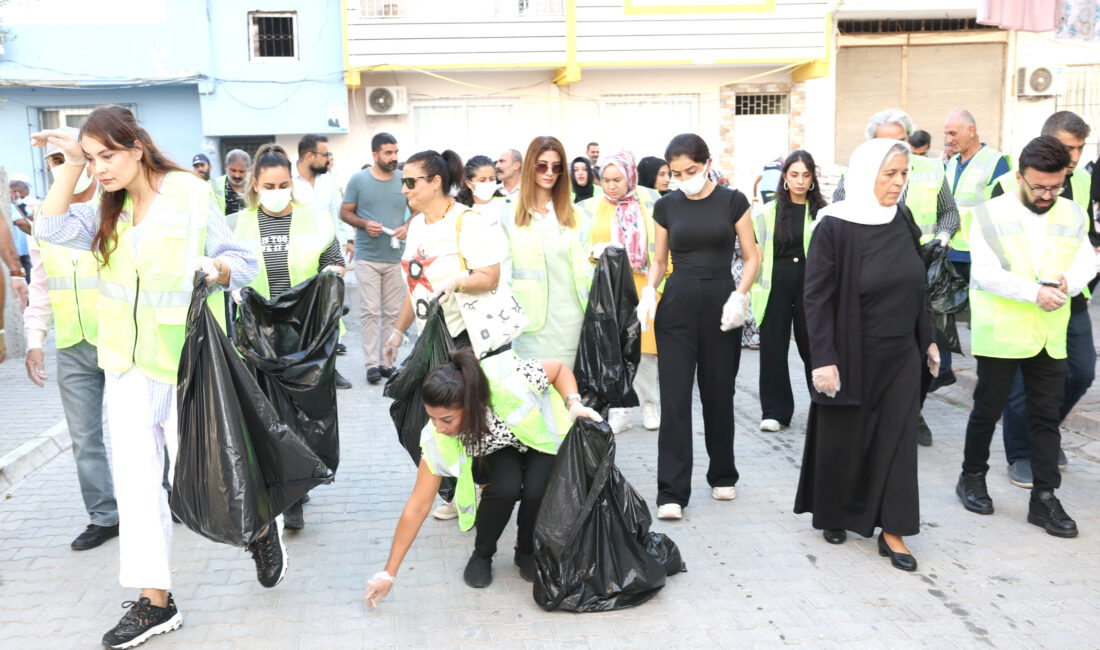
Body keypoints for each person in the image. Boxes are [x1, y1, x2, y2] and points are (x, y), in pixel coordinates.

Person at [32, 105, 260, 649]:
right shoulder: (104, 209)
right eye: (93, 158)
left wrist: (218, 269)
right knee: (137, 492)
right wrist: (69, 164)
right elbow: (49, 228)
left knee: (207, 476)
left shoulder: (189, 190)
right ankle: (156, 603)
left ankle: (261, 529)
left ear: (137, 147)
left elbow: (241, 260)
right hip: (126, 367)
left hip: (185, 365)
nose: (101, 168)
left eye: (107, 155)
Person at [794, 138, 937, 571]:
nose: (898, 183)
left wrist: (927, 337)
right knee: (844, 437)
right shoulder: (834, 226)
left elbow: (917, 285)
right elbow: (816, 297)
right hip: (851, 351)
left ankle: (892, 530)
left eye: (903, 174)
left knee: (897, 441)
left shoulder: (903, 218)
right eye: (889, 174)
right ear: (865, 173)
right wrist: (823, 359)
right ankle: (834, 512)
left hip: (900, 354)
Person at [363, 347, 602, 603]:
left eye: (446, 419)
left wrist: (574, 404)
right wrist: (388, 574)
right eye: (432, 418)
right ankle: (482, 554)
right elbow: (417, 506)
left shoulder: (512, 378)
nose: (439, 428)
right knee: (505, 488)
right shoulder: (437, 436)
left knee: (537, 489)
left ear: (471, 405)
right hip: (497, 446)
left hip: (540, 436)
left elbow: (559, 368)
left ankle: (526, 551)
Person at [956, 135, 1096, 539]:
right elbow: (983, 271)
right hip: (1002, 331)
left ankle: (1045, 498)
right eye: (1038, 187)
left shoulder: (1072, 212)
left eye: (1055, 186)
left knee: (1045, 417)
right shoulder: (987, 213)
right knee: (988, 409)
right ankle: (972, 477)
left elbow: (1087, 258)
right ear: (1019, 176)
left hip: (1049, 334)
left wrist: (1072, 282)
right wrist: (1034, 292)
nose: (1047, 194)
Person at [382, 149, 510, 521]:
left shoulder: (467, 221)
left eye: (411, 181)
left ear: (435, 181)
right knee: (434, 420)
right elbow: (415, 284)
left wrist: (456, 282)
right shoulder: (419, 224)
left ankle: (480, 492)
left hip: (466, 340)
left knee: (468, 420)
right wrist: (397, 331)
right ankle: (459, 487)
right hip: (431, 340)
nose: (404, 189)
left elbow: (490, 275)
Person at [637, 133, 760, 521]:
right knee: (674, 398)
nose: (683, 178)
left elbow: (753, 255)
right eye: (675, 173)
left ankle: (722, 472)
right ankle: (671, 491)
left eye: (690, 170)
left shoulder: (733, 200)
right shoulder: (666, 205)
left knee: (718, 393)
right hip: (677, 303)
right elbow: (658, 260)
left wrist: (741, 295)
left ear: (707, 164)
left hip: (723, 302)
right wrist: (648, 291)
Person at [229, 144, 346, 531]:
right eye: (268, 185)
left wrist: (332, 277)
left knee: (303, 414)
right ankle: (290, 492)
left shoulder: (314, 219)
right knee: (272, 415)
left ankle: (299, 479)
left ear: (291, 183)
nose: (276, 191)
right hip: (260, 334)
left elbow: (334, 260)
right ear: (254, 185)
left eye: (282, 184)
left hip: (305, 333)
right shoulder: (237, 225)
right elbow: (225, 266)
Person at [834, 108, 961, 446]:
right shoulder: (855, 172)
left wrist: (944, 237)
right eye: (883, 142)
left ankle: (913, 410)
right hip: (873, 274)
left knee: (923, 345)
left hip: (921, 272)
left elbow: (949, 211)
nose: (893, 149)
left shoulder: (931, 169)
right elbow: (839, 213)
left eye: (900, 141)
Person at [990, 111, 1099, 488]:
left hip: (1070, 295)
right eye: (1070, 147)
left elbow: (1082, 235)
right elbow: (996, 247)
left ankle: (1044, 430)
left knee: (1082, 370)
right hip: (1022, 298)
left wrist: (1079, 275)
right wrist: (1029, 289)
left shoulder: (1081, 179)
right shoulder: (1006, 184)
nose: (1076, 156)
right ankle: (1021, 452)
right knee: (1024, 380)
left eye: (1081, 148)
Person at [24, 127, 118, 551]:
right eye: (55, 163)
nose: (63, 170)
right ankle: (104, 516)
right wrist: (34, 341)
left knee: (144, 425)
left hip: (119, 337)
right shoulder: (44, 222)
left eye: (69, 160)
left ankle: (167, 497)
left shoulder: (113, 211)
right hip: (73, 345)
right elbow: (40, 287)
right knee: (84, 437)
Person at [579, 150, 669, 433]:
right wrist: (594, 253)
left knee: (645, 350)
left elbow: (666, 245)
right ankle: (620, 410)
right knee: (613, 350)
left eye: (617, 179)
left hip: (645, 283)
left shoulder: (652, 201)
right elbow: (580, 247)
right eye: (605, 180)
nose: (611, 185)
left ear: (631, 176)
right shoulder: (590, 207)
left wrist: (659, 286)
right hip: (609, 287)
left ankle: (649, 405)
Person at [936, 109, 1011, 391]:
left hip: (978, 252)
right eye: (946, 133)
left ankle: (989, 376)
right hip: (948, 248)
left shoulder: (995, 162)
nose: (948, 138)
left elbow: (1003, 208)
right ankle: (942, 369)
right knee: (939, 311)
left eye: (953, 133)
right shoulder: (950, 163)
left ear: (971, 131)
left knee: (982, 317)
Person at [752, 150, 826, 433]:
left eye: (806, 175)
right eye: (794, 175)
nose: (800, 181)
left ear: (812, 179)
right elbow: (755, 253)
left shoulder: (822, 212)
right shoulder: (767, 212)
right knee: (773, 349)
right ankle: (775, 411)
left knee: (815, 348)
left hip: (811, 289)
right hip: (775, 288)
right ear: (784, 177)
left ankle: (823, 407)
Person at [502, 136, 591, 367]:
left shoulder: (579, 217)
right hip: (529, 324)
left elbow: (588, 271)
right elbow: (503, 275)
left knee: (568, 397)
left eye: (556, 167)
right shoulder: (508, 216)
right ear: (530, 166)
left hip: (571, 323)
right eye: (542, 166)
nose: (549, 172)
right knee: (532, 396)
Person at [340, 133, 409, 385]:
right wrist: (364, 223)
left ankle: (386, 362)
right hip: (367, 256)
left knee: (392, 313)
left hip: (394, 257)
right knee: (370, 311)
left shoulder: (404, 180)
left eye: (396, 152)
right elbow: (345, 212)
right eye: (388, 153)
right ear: (375, 155)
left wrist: (407, 226)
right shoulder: (358, 180)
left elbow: (419, 210)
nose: (394, 157)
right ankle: (371, 365)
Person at [293, 134, 351, 388]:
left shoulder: (329, 181)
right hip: (299, 259)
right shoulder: (289, 181)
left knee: (330, 314)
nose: (329, 158)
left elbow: (336, 216)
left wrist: (346, 241)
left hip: (328, 257)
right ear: (309, 156)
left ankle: (329, 371)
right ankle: (301, 370)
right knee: (301, 315)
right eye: (324, 154)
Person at [211, 149, 250, 219]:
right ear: (226, 168)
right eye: (233, 170)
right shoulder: (214, 186)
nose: (237, 175)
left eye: (241, 172)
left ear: (247, 170)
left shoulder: (253, 187)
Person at [9, 180, 33, 280]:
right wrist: (37, 234)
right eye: (22, 197)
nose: (22, 199)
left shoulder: (17, 205)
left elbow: (31, 216)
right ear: (15, 192)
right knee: (22, 280)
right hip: (15, 254)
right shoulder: (7, 204)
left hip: (22, 251)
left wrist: (20, 203)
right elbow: (20, 222)